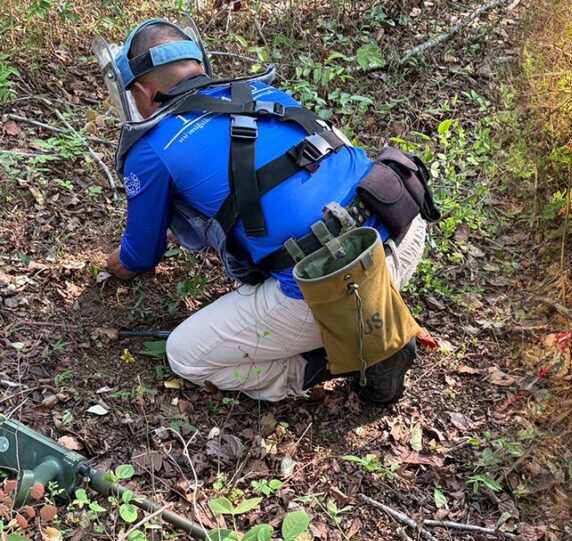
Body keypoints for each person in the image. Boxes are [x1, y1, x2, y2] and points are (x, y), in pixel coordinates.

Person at [92, 18, 438, 403]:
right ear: (199, 64)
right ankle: (370, 314)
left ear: (140, 90)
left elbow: (140, 255)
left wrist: (115, 264)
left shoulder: (151, 148)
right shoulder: (257, 90)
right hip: (402, 226)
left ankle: (355, 354)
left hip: (332, 286)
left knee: (185, 355)